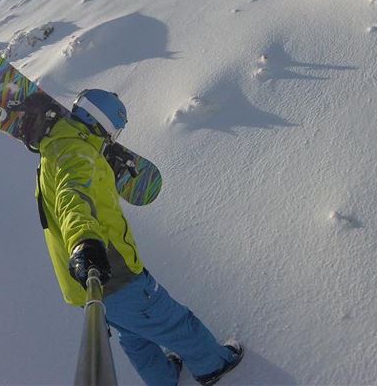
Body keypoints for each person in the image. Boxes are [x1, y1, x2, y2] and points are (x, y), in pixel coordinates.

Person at [35, 88, 243, 386]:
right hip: (112, 270)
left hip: (89, 284)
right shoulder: (78, 153)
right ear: (105, 123)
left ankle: (163, 378)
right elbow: (73, 199)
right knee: (171, 320)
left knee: (134, 335)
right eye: (116, 129)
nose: (115, 137)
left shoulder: (55, 147)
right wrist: (85, 242)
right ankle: (213, 365)